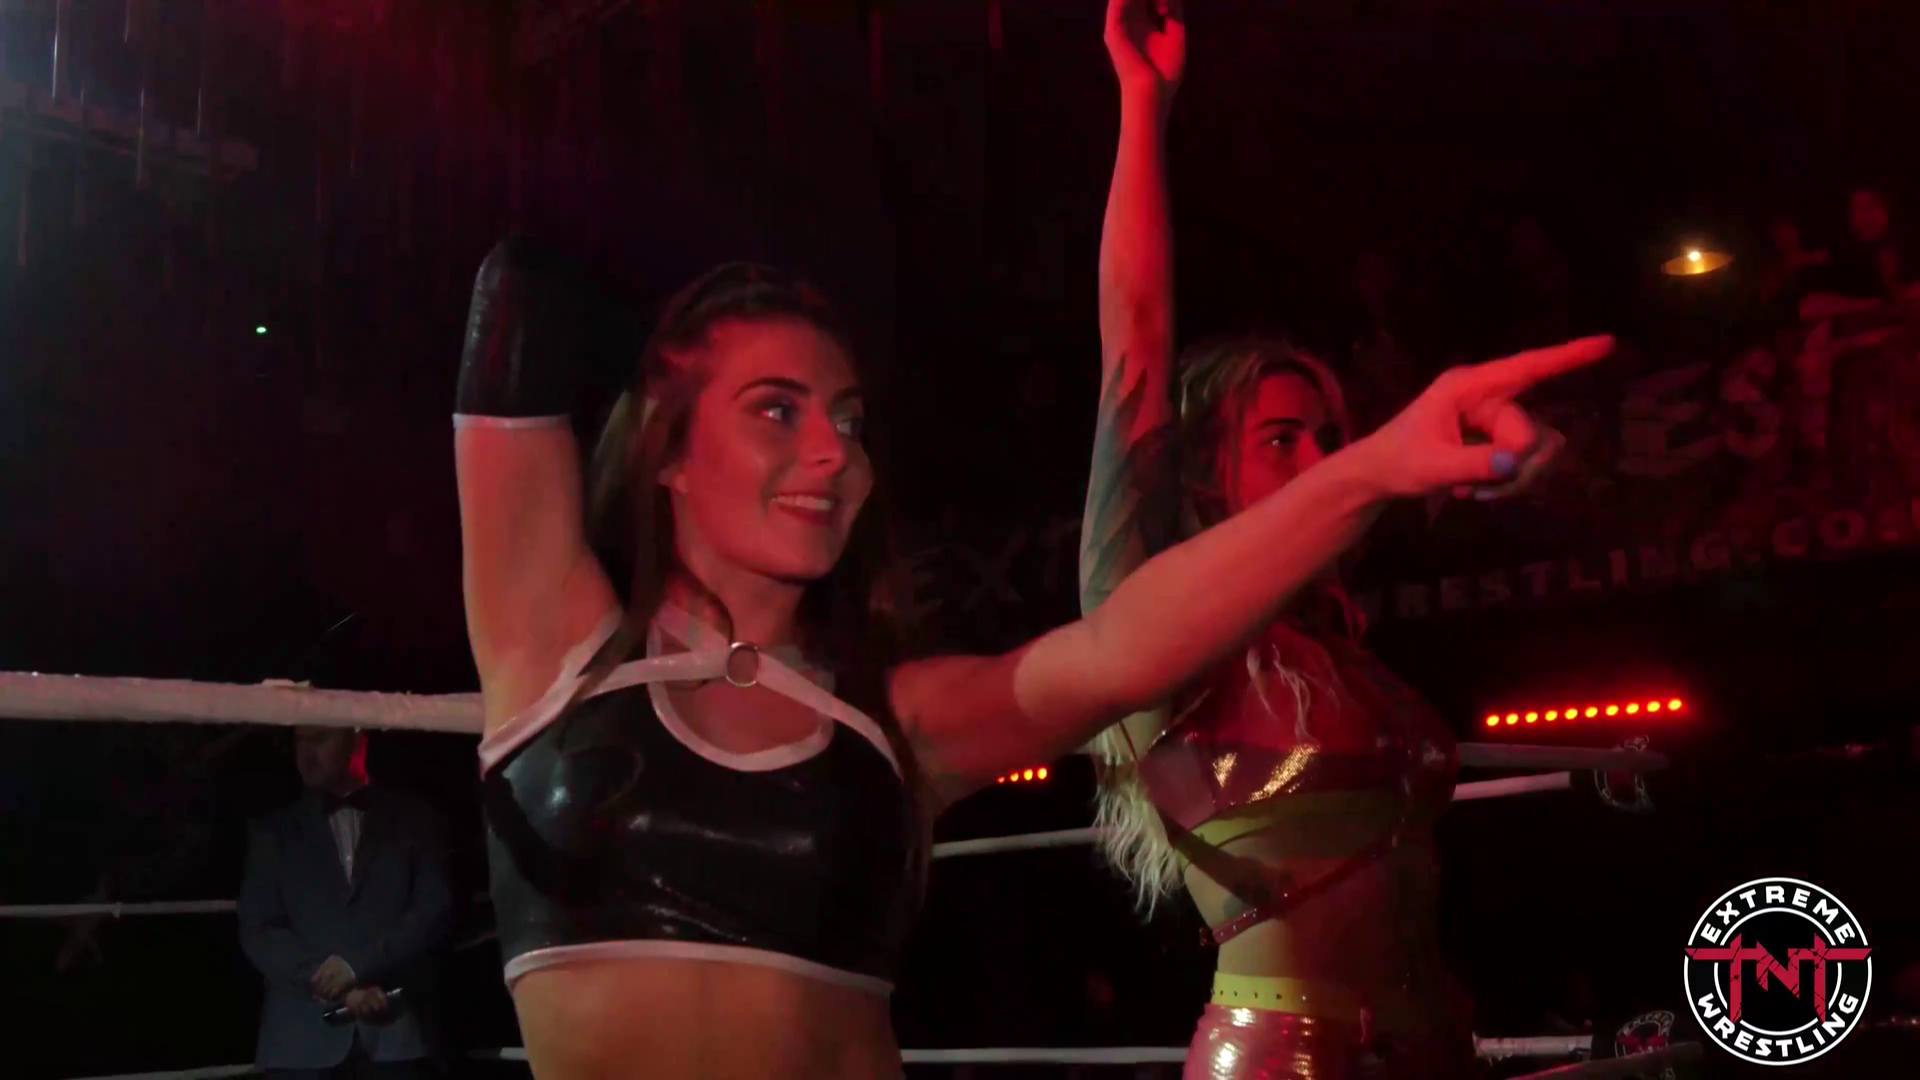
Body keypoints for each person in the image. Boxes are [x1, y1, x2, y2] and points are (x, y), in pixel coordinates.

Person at [455, 150, 1605, 1080]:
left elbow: (1119, 650)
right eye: (776, 409)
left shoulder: (896, 721)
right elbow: (515, 295)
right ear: (664, 445)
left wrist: (1377, 467)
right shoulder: (554, 646)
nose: (833, 453)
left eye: (849, 420)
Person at [1081, 3, 1597, 1076]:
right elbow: (1134, 337)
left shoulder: (1336, 647)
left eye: (1329, 435)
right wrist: (1140, 105)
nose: (1321, 459)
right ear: (1202, 474)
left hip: (1437, 1049)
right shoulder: (1158, 626)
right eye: (1280, 439)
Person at [237, 726, 452, 1080]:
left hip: (394, 1034)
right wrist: (334, 983)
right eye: (299, 741)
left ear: (356, 737)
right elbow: (258, 930)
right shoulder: (273, 830)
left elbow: (433, 912)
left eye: (319, 739)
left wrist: (356, 966)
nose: (305, 754)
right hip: (299, 1044)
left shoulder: (413, 820)